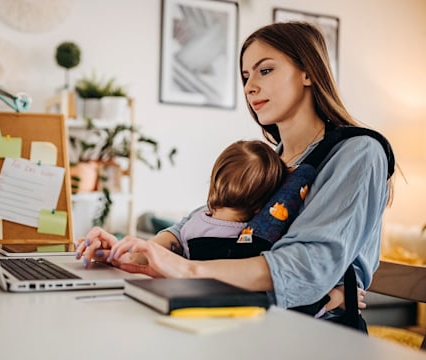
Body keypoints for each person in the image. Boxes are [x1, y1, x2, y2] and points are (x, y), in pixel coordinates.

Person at [76, 21, 393, 324]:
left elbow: (305, 268)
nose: (250, 87)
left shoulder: (358, 152)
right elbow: (203, 220)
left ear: (308, 72)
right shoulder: (269, 160)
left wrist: (187, 270)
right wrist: (127, 253)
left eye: (265, 70)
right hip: (246, 319)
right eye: (245, 77)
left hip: (316, 337)